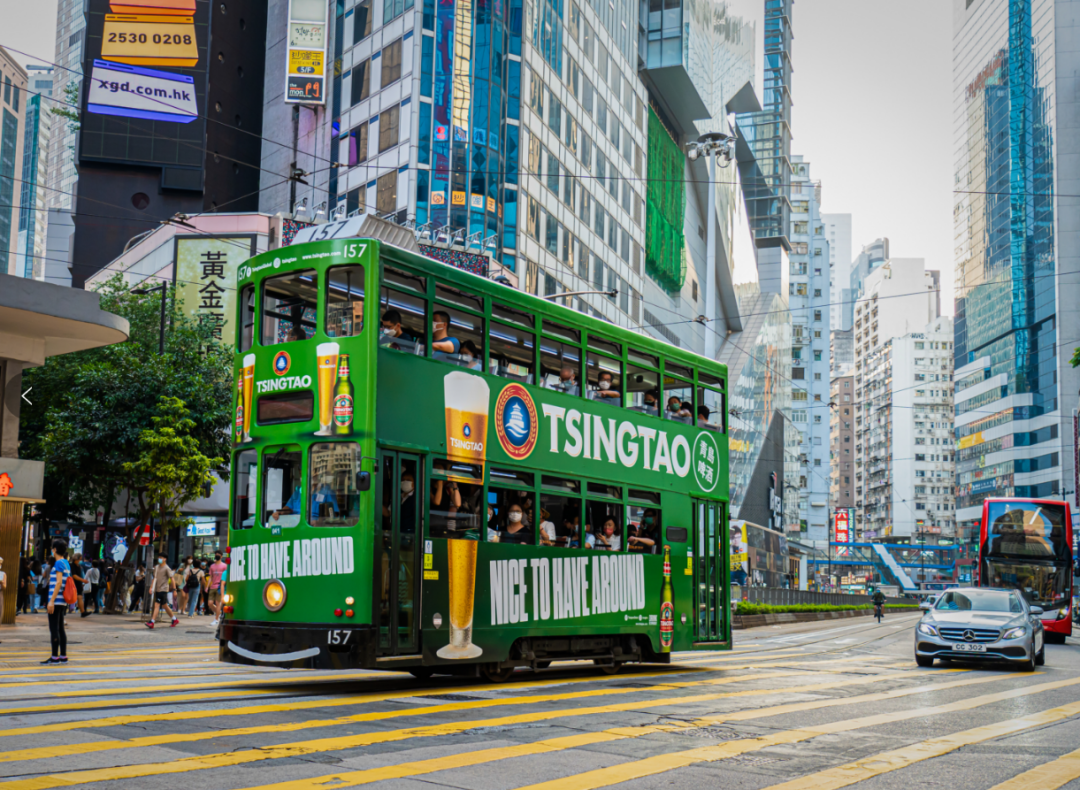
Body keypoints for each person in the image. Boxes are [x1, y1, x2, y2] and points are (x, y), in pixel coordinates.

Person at [42, 539, 71, 665]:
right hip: (62, 601)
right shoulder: (66, 563)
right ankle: (63, 656)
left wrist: (51, 601)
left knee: (54, 628)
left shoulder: (59, 563)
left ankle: (54, 657)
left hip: (56, 600)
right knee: (60, 629)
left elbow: (59, 582)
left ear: (54, 549)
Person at [146, 553, 179, 629]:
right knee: (164, 605)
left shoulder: (167, 568)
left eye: (161, 557)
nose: (159, 559)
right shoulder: (156, 567)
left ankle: (152, 622)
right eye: (159, 557)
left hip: (163, 589)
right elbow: (154, 578)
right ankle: (174, 619)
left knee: (157, 604)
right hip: (157, 589)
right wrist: (151, 588)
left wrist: (174, 590)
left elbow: (172, 579)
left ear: (165, 559)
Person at [208, 553, 227, 626]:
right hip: (213, 586)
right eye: (216, 554)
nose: (217, 556)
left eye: (218, 555)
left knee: (217, 603)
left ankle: (216, 619)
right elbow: (210, 576)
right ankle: (219, 613)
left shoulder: (224, 566)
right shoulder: (212, 566)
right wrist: (207, 586)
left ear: (221, 556)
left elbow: (226, 576)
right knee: (209, 603)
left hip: (219, 587)